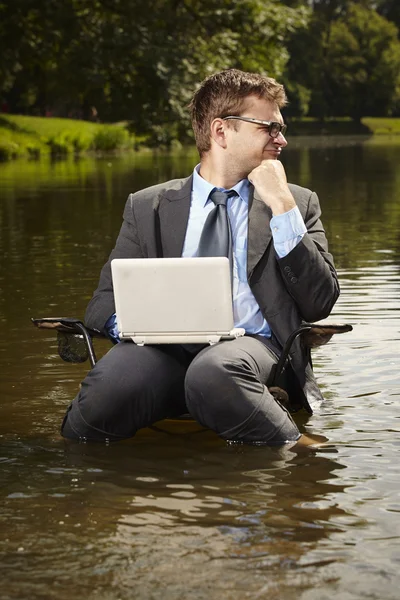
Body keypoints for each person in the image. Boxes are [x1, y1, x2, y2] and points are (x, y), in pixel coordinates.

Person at [61, 69, 339, 446]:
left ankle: (298, 450)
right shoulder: (147, 207)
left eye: (281, 128)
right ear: (220, 131)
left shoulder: (297, 203)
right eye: (269, 128)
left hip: (255, 352)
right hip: (160, 353)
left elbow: (319, 302)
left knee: (216, 370)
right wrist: (139, 325)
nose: (282, 140)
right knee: (111, 386)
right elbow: (100, 305)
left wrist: (282, 207)